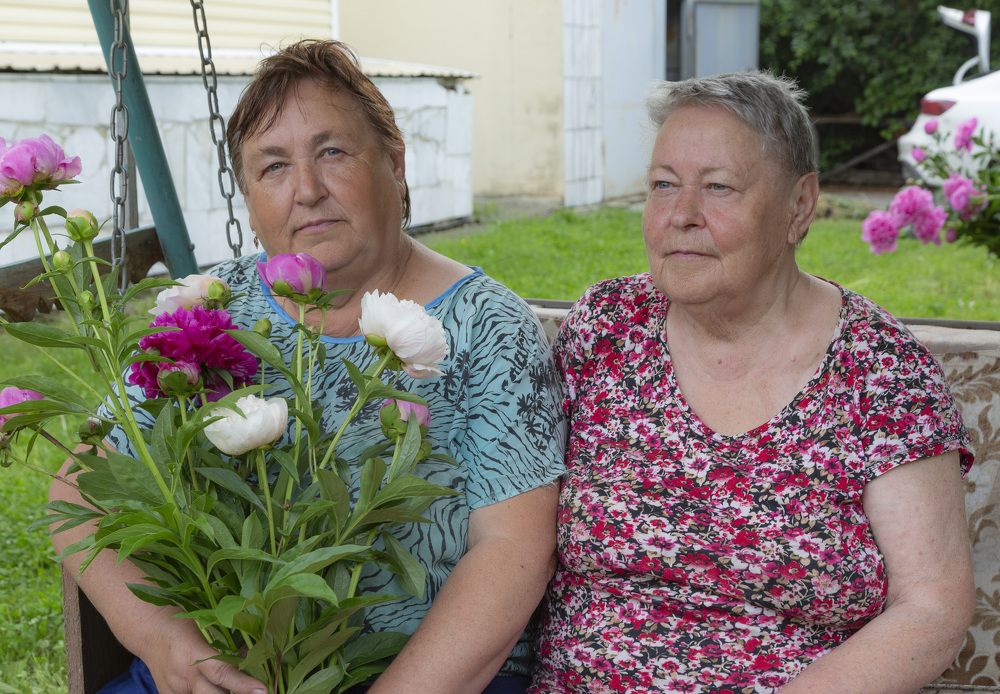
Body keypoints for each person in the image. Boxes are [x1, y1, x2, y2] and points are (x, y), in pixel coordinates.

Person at [50, 39, 565, 694]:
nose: (308, 190)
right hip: (228, 670)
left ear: (395, 163)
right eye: (272, 167)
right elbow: (78, 486)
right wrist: (166, 643)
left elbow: (512, 550)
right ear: (248, 197)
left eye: (332, 151)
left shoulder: (486, 327)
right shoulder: (213, 309)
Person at [531, 71, 975, 693]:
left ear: (799, 205)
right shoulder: (606, 329)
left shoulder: (879, 370)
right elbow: (517, 534)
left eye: (718, 188)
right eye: (663, 186)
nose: (681, 216)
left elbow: (931, 607)